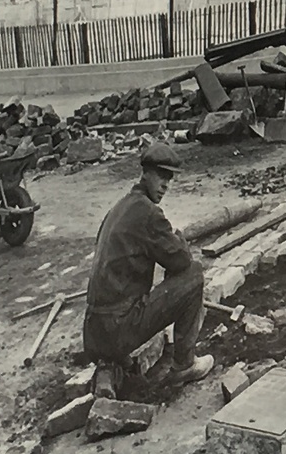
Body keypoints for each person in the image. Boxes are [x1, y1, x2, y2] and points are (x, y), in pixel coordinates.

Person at [82, 141, 208, 384]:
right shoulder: (148, 212)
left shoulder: (119, 207)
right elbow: (181, 262)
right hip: (117, 329)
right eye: (161, 176)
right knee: (194, 274)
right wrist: (179, 239)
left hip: (94, 332)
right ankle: (184, 364)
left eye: (170, 178)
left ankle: (116, 363)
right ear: (145, 173)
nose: (165, 185)